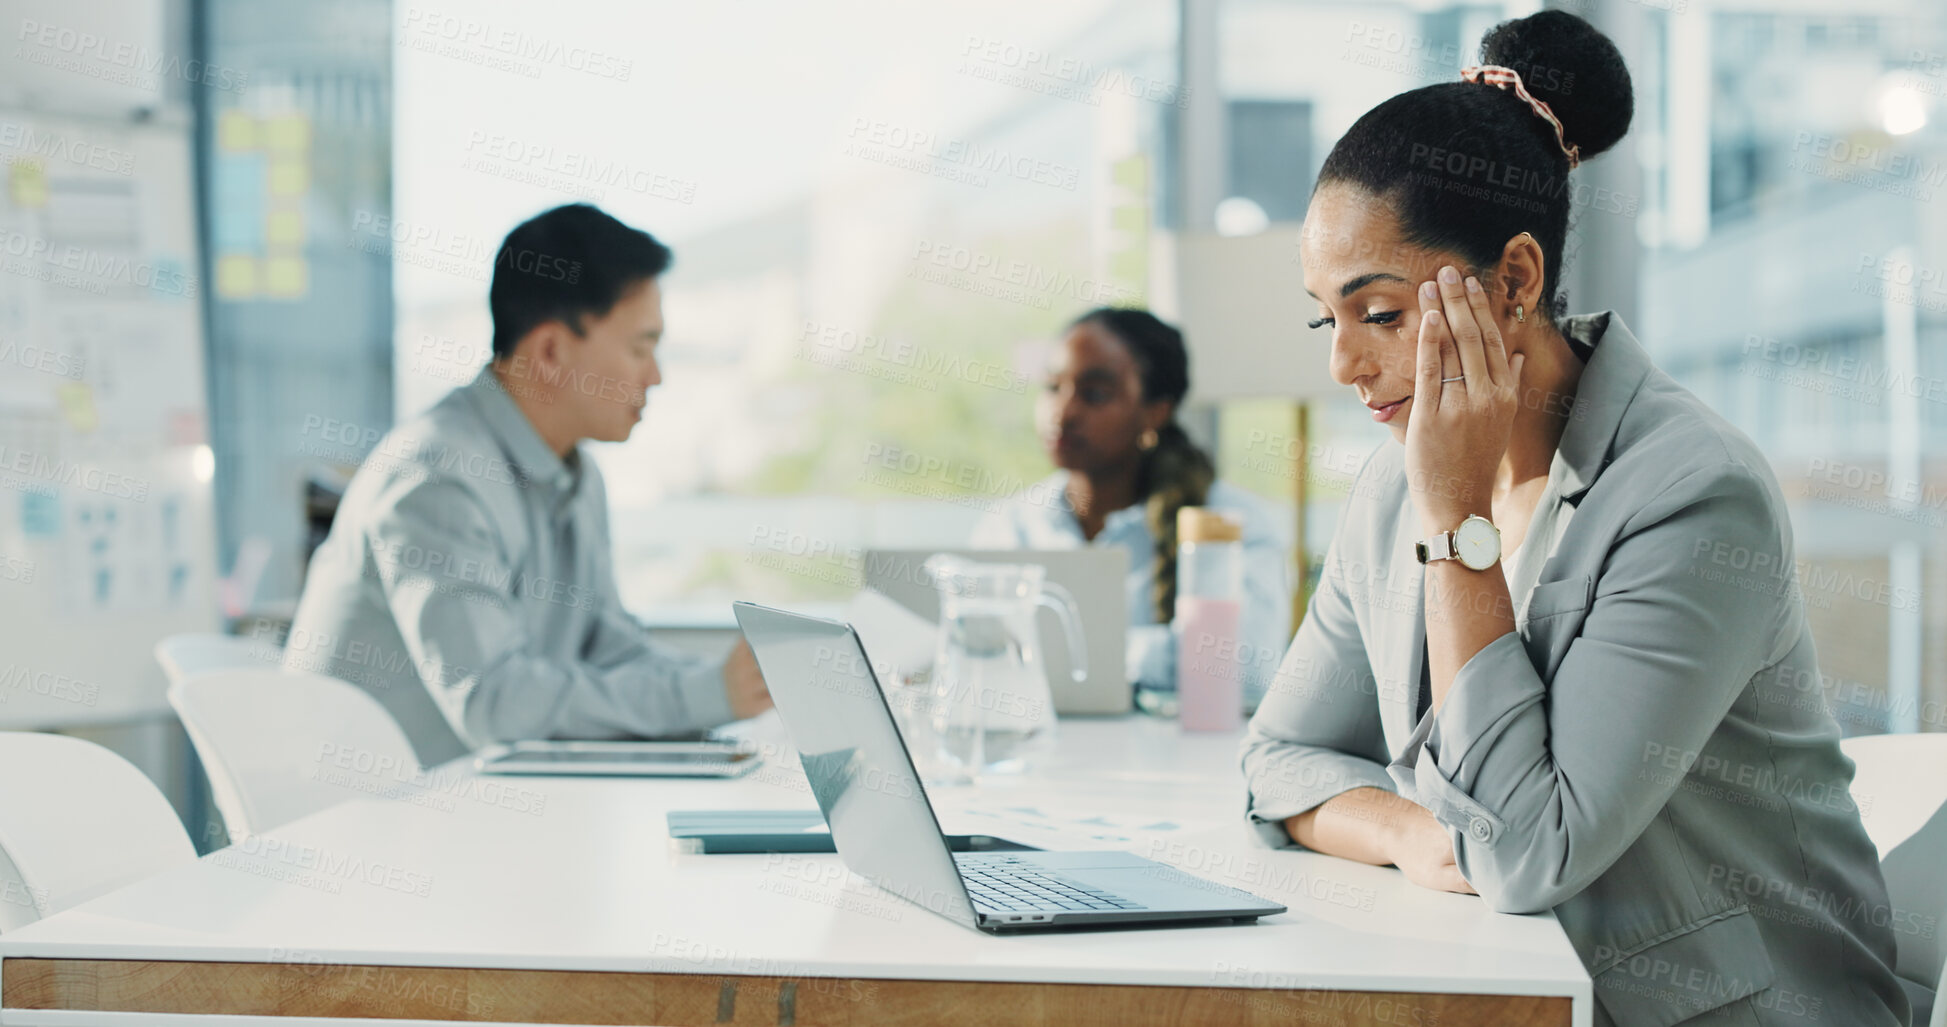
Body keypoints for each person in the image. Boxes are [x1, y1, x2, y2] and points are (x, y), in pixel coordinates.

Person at [1240, 11, 1910, 1026]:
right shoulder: (1392, 486)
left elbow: (1522, 852)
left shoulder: (1692, 492)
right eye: (1323, 316)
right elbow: (1278, 758)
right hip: (1517, 983)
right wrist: (1408, 833)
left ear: (1514, 279)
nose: (1342, 363)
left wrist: (1456, 524)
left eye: (1378, 314)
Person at [285, 203, 771, 766]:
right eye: (640, 348)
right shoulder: (437, 475)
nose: (655, 376)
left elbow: (608, 649)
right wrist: (705, 695)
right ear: (550, 352)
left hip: (475, 797)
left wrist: (731, 685)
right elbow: (492, 703)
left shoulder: (576, 476)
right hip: (364, 809)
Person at [973, 307, 1290, 705]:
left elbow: (1248, 671)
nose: (1063, 412)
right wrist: (1156, 652)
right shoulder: (1013, 524)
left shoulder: (1228, 522)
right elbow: (972, 656)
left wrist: (1077, 655)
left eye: (1095, 394)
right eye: (1053, 387)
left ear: (1156, 411)